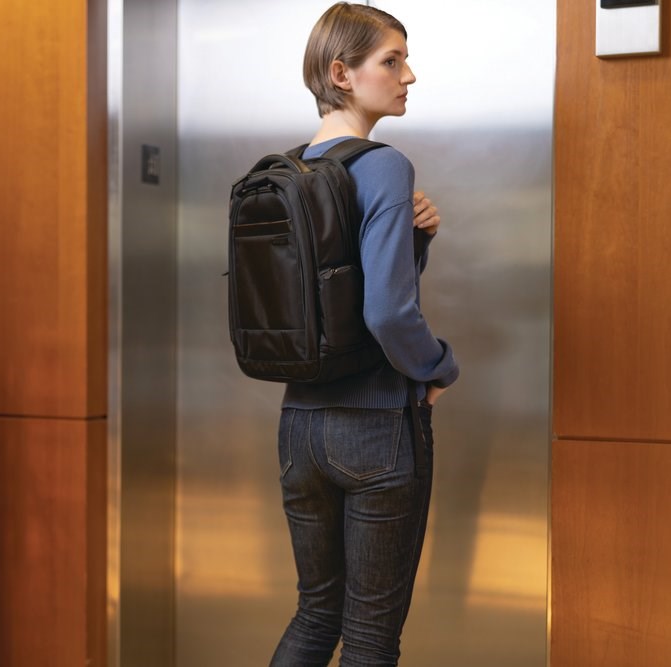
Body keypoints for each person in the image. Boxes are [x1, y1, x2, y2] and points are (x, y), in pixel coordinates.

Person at [270, 4, 459, 666]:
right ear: (341, 73)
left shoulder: (289, 170)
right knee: (371, 637)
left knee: (315, 615)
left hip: (299, 429)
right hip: (377, 430)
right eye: (392, 60)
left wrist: (415, 240)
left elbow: (332, 298)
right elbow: (385, 314)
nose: (409, 74)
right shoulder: (382, 166)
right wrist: (437, 368)